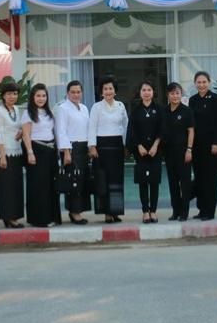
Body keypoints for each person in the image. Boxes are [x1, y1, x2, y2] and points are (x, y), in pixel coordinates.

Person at [88, 75, 128, 223]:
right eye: (105, 89)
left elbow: (125, 126)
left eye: (110, 88)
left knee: (116, 180)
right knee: (103, 180)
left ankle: (115, 211)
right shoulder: (96, 107)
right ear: (101, 91)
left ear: (115, 90)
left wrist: (126, 145)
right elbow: (92, 127)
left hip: (117, 146)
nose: (108, 91)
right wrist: (92, 146)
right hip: (102, 147)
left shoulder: (121, 106)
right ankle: (106, 212)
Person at [22, 83, 61, 228]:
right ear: (33, 97)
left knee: (51, 185)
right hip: (36, 151)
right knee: (39, 186)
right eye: (38, 95)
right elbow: (26, 134)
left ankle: (53, 216)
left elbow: (53, 132)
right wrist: (30, 152)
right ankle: (40, 219)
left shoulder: (49, 112)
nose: (41, 98)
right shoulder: (28, 113)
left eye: (44, 96)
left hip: (50, 152)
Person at [127, 81, 164, 223]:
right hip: (140, 151)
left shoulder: (159, 109)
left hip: (155, 150)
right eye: (144, 90)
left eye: (149, 89)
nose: (147, 92)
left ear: (153, 92)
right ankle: (145, 211)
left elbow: (163, 129)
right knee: (143, 182)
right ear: (140, 92)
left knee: (154, 181)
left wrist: (155, 145)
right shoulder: (135, 110)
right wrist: (138, 146)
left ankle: (153, 211)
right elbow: (132, 130)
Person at [189, 71, 217, 220]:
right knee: (199, 178)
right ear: (195, 83)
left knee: (210, 179)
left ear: (209, 83)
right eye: (199, 82)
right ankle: (201, 209)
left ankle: (209, 211)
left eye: (204, 82)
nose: (201, 85)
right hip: (197, 146)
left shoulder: (216, 99)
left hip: (211, 145)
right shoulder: (193, 100)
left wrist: (216, 142)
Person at [55, 80, 90, 224]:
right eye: (73, 92)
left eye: (78, 92)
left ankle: (79, 210)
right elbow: (61, 131)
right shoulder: (62, 108)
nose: (76, 94)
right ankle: (74, 212)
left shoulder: (84, 108)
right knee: (73, 180)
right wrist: (66, 152)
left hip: (83, 148)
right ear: (67, 93)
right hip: (70, 148)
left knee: (82, 180)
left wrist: (90, 146)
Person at [0, 81, 25, 228]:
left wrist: (21, 133)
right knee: (6, 187)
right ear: (3, 96)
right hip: (4, 153)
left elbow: (19, 128)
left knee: (16, 185)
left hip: (16, 151)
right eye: (9, 94)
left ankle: (15, 216)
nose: (12, 96)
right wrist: (2, 156)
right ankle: (8, 217)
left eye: (15, 93)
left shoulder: (16, 109)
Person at [162, 82, 194, 221]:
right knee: (173, 183)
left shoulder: (186, 111)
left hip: (183, 151)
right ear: (168, 95)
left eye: (177, 93)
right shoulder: (164, 111)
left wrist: (189, 149)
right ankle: (175, 211)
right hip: (169, 152)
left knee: (185, 183)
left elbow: (191, 131)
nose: (175, 96)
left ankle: (184, 212)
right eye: (172, 93)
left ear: (181, 94)